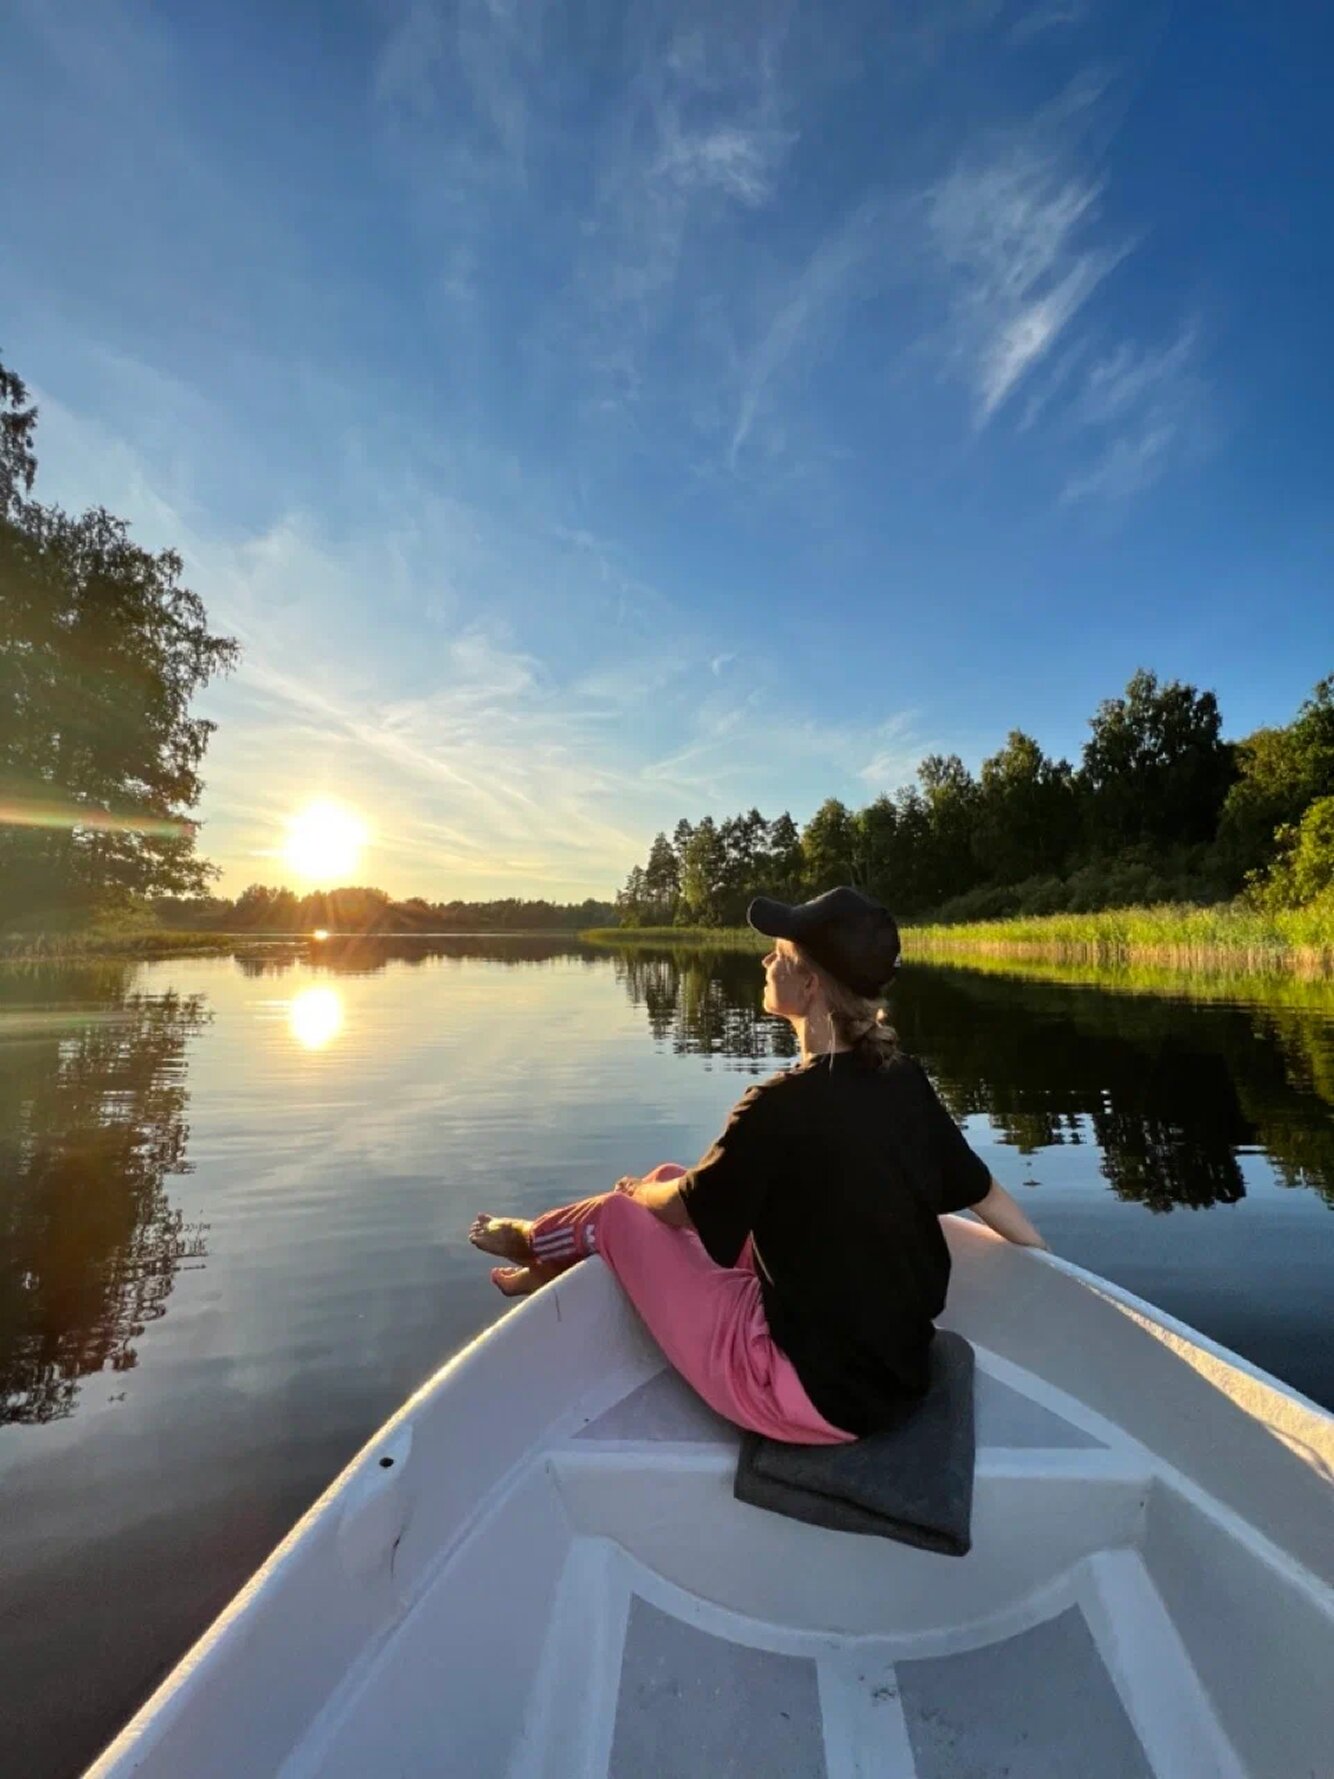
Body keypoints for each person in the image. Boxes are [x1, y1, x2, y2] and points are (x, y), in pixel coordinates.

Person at [469, 886, 1047, 1444]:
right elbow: (986, 1193)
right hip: (900, 1379)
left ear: (811, 985)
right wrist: (1046, 1265)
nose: (768, 959)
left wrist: (636, 1193)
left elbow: (675, 1211)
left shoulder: (776, 1107)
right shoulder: (903, 1079)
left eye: (782, 954)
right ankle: (547, 1268)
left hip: (806, 1396)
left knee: (623, 1212)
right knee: (675, 1174)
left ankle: (529, 1239)